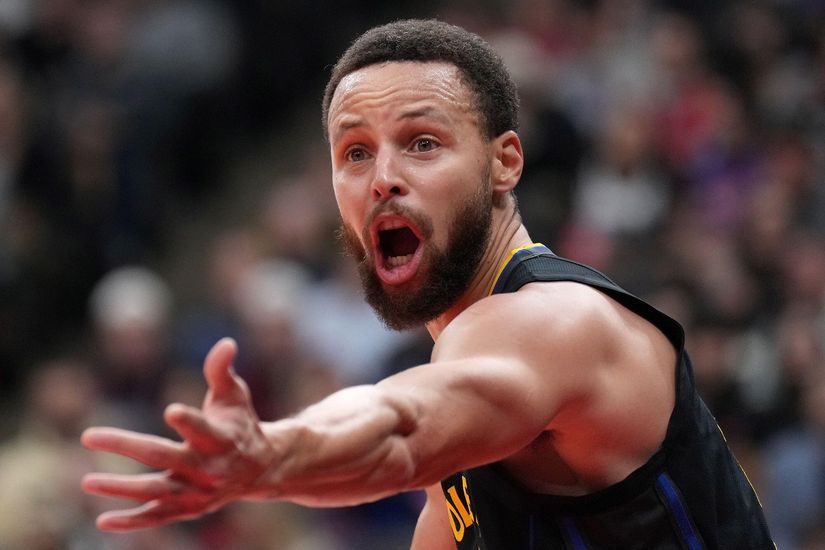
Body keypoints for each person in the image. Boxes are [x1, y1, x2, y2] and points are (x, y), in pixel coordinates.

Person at [81, 19, 775, 549]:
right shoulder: (470, 444)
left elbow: (398, 427)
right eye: (354, 152)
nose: (381, 176)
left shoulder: (557, 323)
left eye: (421, 142)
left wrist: (275, 451)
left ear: (504, 163)